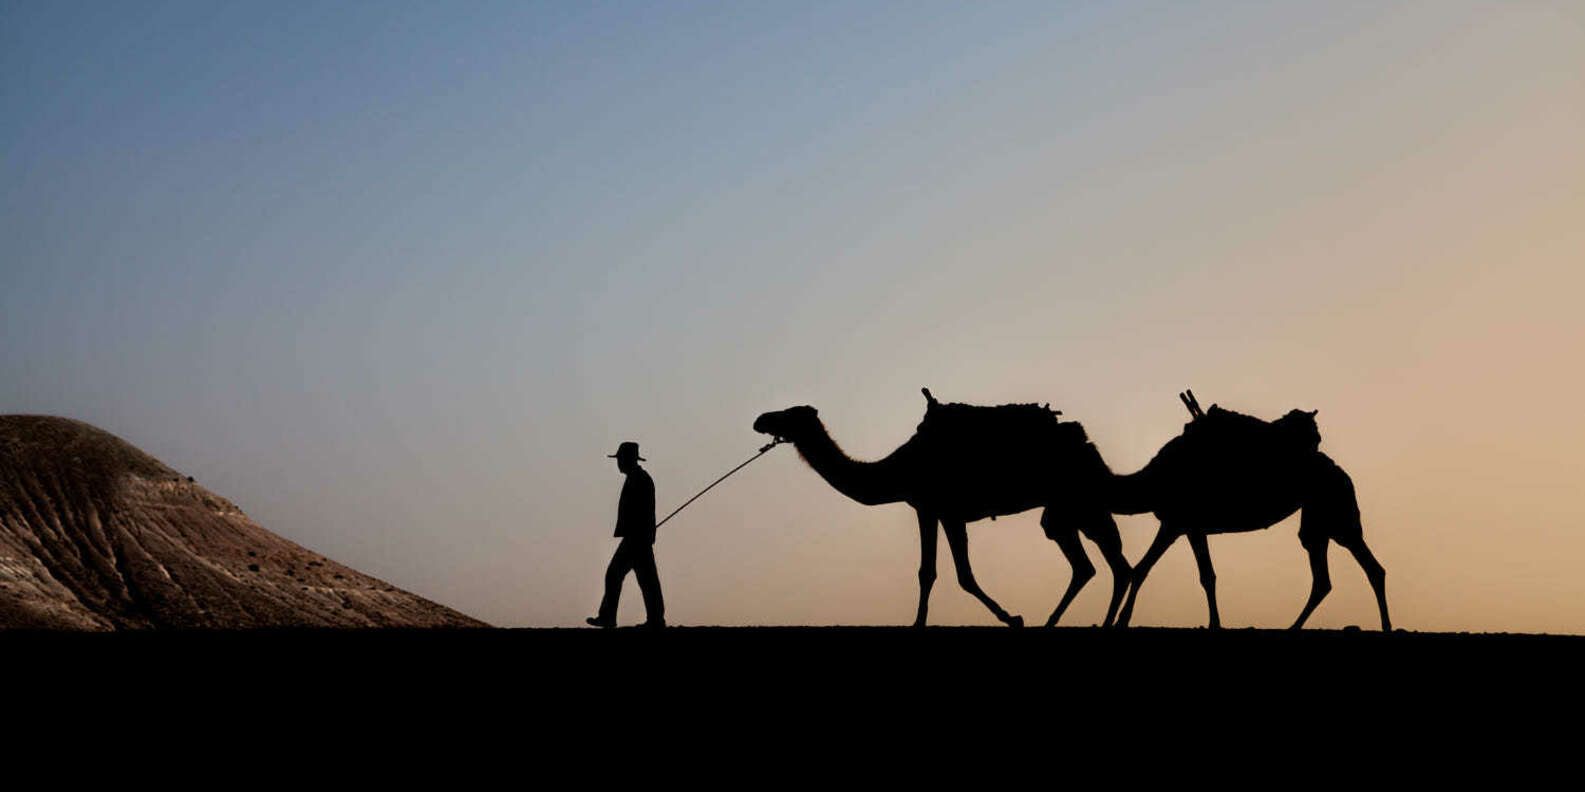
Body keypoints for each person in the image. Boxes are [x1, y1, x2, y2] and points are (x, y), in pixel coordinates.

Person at [587, 441, 665, 628]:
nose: (618, 463)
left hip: (636, 538)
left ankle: (608, 617)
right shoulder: (637, 478)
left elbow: (645, 510)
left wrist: (644, 533)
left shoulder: (640, 479)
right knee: (647, 580)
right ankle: (655, 620)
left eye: (620, 459)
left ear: (627, 460)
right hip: (639, 537)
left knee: (616, 574)